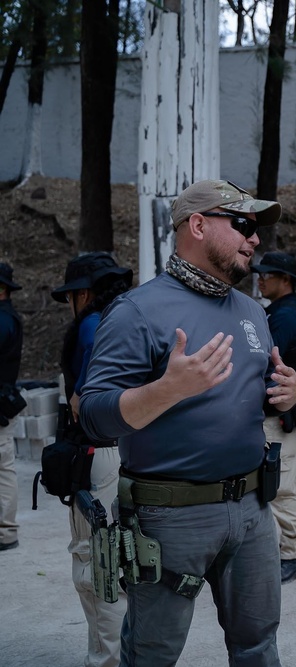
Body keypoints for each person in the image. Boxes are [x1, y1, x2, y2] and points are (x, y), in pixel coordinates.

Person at [79, 179, 296, 667]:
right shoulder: (137, 311)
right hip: (168, 518)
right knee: (153, 654)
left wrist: (289, 393)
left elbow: (258, 394)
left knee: (259, 643)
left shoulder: (251, 311)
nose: (255, 238)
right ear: (197, 226)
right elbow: (92, 418)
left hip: (251, 509)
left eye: (256, 228)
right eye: (243, 224)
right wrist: (167, 389)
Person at [51, 252, 133, 667]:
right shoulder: (126, 320)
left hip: (98, 455)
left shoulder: (91, 325)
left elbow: (85, 402)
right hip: (122, 453)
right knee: (110, 563)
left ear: (83, 293)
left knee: (96, 565)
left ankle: (107, 661)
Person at [251, 251, 296, 584]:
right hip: (278, 412)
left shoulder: (285, 316)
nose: (261, 279)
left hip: (276, 415)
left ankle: (294, 555)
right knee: (286, 480)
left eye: (268, 274)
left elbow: (262, 361)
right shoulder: (280, 313)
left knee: (281, 486)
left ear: (286, 280)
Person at [0, 261, 23, 553]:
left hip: (1, 404)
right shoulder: (7, 318)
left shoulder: (4, 320)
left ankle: (6, 532)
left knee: (4, 469)